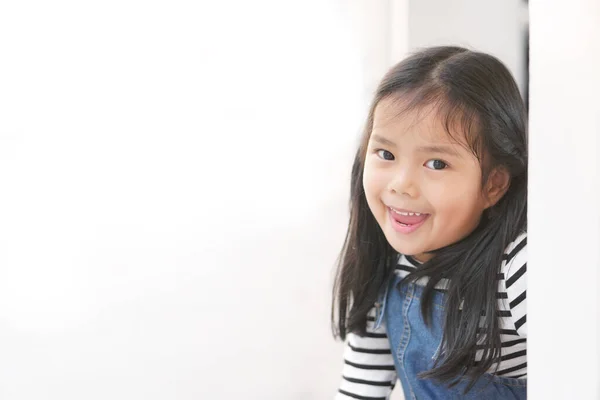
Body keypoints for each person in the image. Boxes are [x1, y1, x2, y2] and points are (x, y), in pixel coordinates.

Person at [332, 46, 527, 399]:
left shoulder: (517, 266)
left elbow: (580, 374)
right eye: (386, 155)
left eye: (436, 163)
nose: (401, 184)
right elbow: (358, 391)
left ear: (493, 184)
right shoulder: (387, 266)